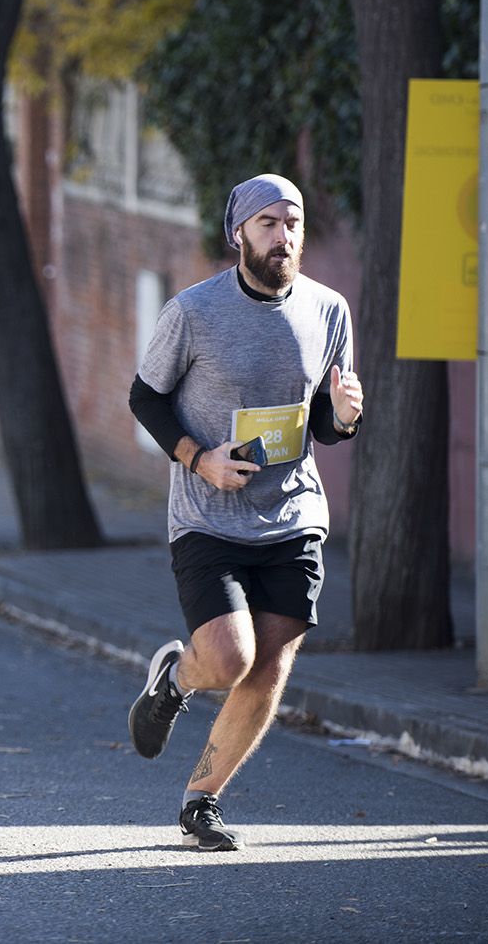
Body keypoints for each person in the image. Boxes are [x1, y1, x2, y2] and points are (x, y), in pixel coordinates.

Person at [126, 173, 365, 852]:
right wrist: (199, 459)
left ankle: (201, 800)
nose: (283, 236)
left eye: (293, 222)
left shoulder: (329, 310)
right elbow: (145, 397)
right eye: (268, 222)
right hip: (208, 514)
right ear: (238, 233)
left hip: (293, 516)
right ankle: (178, 678)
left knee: (269, 668)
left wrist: (345, 418)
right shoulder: (194, 312)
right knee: (230, 658)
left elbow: (323, 424)